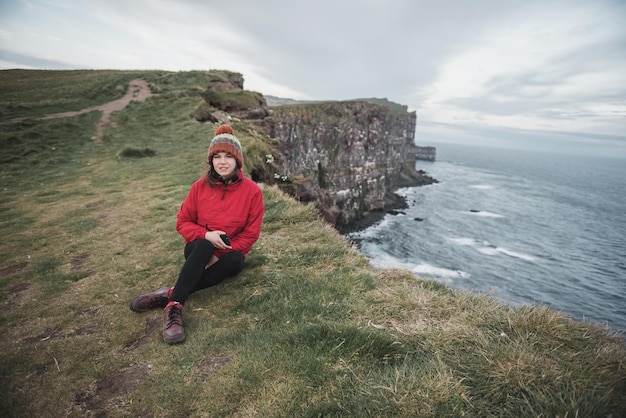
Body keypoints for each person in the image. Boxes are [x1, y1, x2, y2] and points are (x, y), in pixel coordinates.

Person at [129, 124, 264, 344]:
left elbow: (250, 235)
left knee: (236, 259)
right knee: (203, 244)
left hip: (228, 255)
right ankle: (175, 307)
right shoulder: (199, 187)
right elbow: (182, 222)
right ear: (211, 160)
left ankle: (169, 293)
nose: (222, 161)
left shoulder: (252, 192)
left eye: (228, 156)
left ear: (237, 160)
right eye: (217, 156)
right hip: (198, 252)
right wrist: (207, 235)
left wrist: (221, 252)